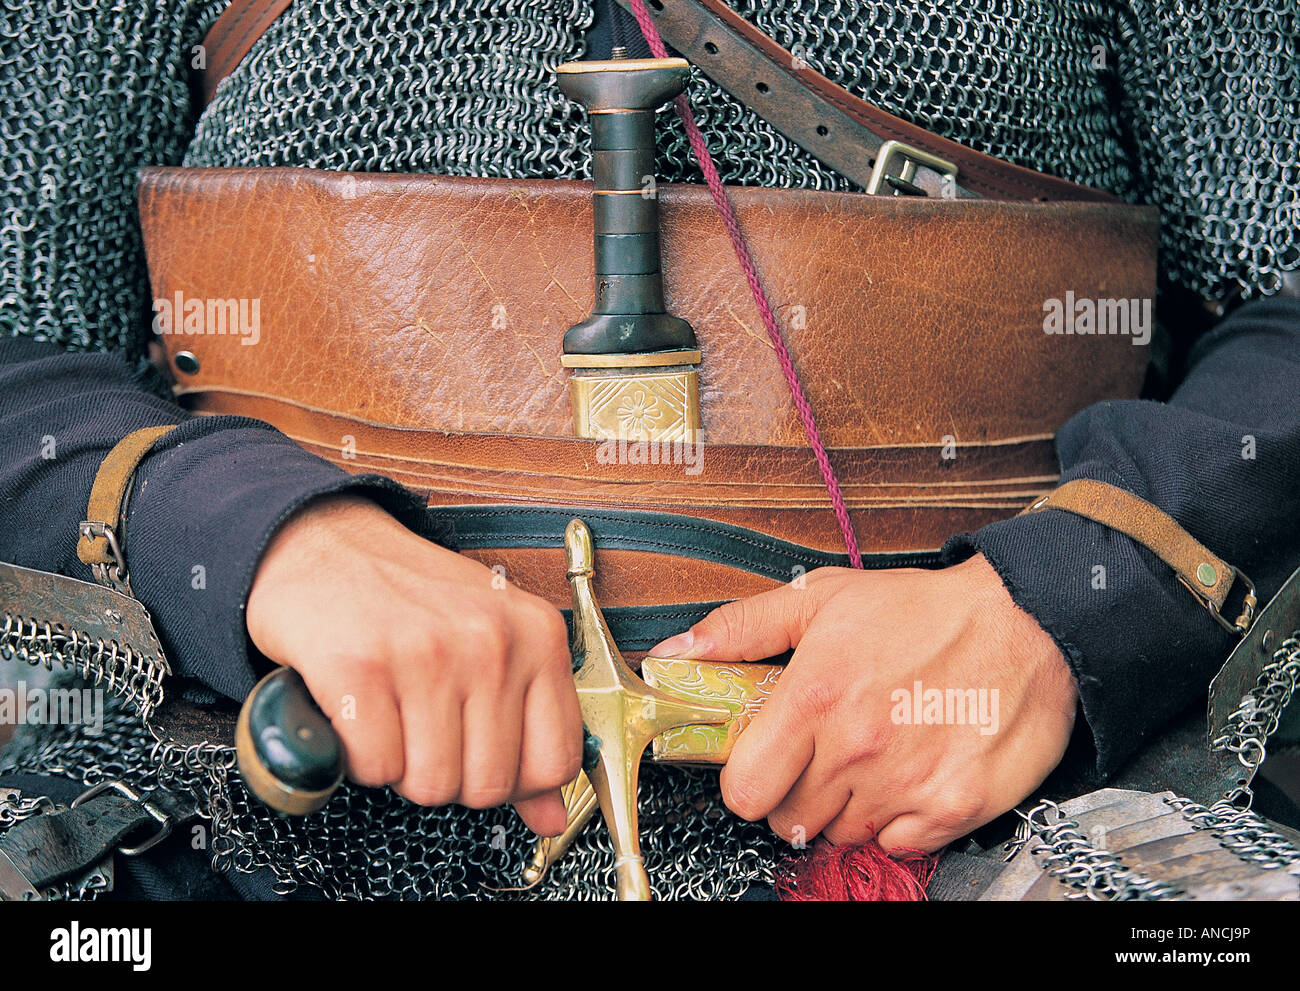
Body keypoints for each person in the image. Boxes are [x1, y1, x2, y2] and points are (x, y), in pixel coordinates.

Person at [0, 0, 1297, 899]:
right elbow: (21, 342)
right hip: (249, 786)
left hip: (987, 804)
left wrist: (1063, 604)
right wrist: (262, 542)